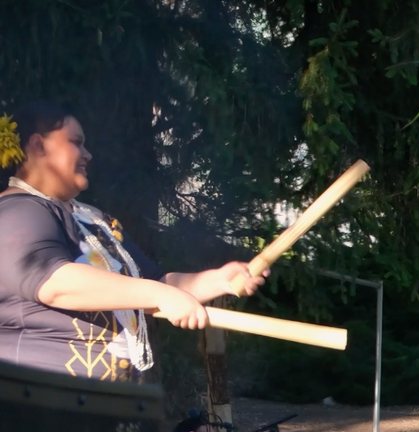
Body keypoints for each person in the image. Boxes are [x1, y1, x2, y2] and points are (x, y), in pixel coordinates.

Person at [0, 102, 266, 380]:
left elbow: (154, 281)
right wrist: (160, 295)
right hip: (42, 401)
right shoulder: (17, 211)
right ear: (38, 147)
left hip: (102, 401)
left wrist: (218, 280)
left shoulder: (91, 219)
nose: (88, 154)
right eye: (76, 142)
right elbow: (52, 282)